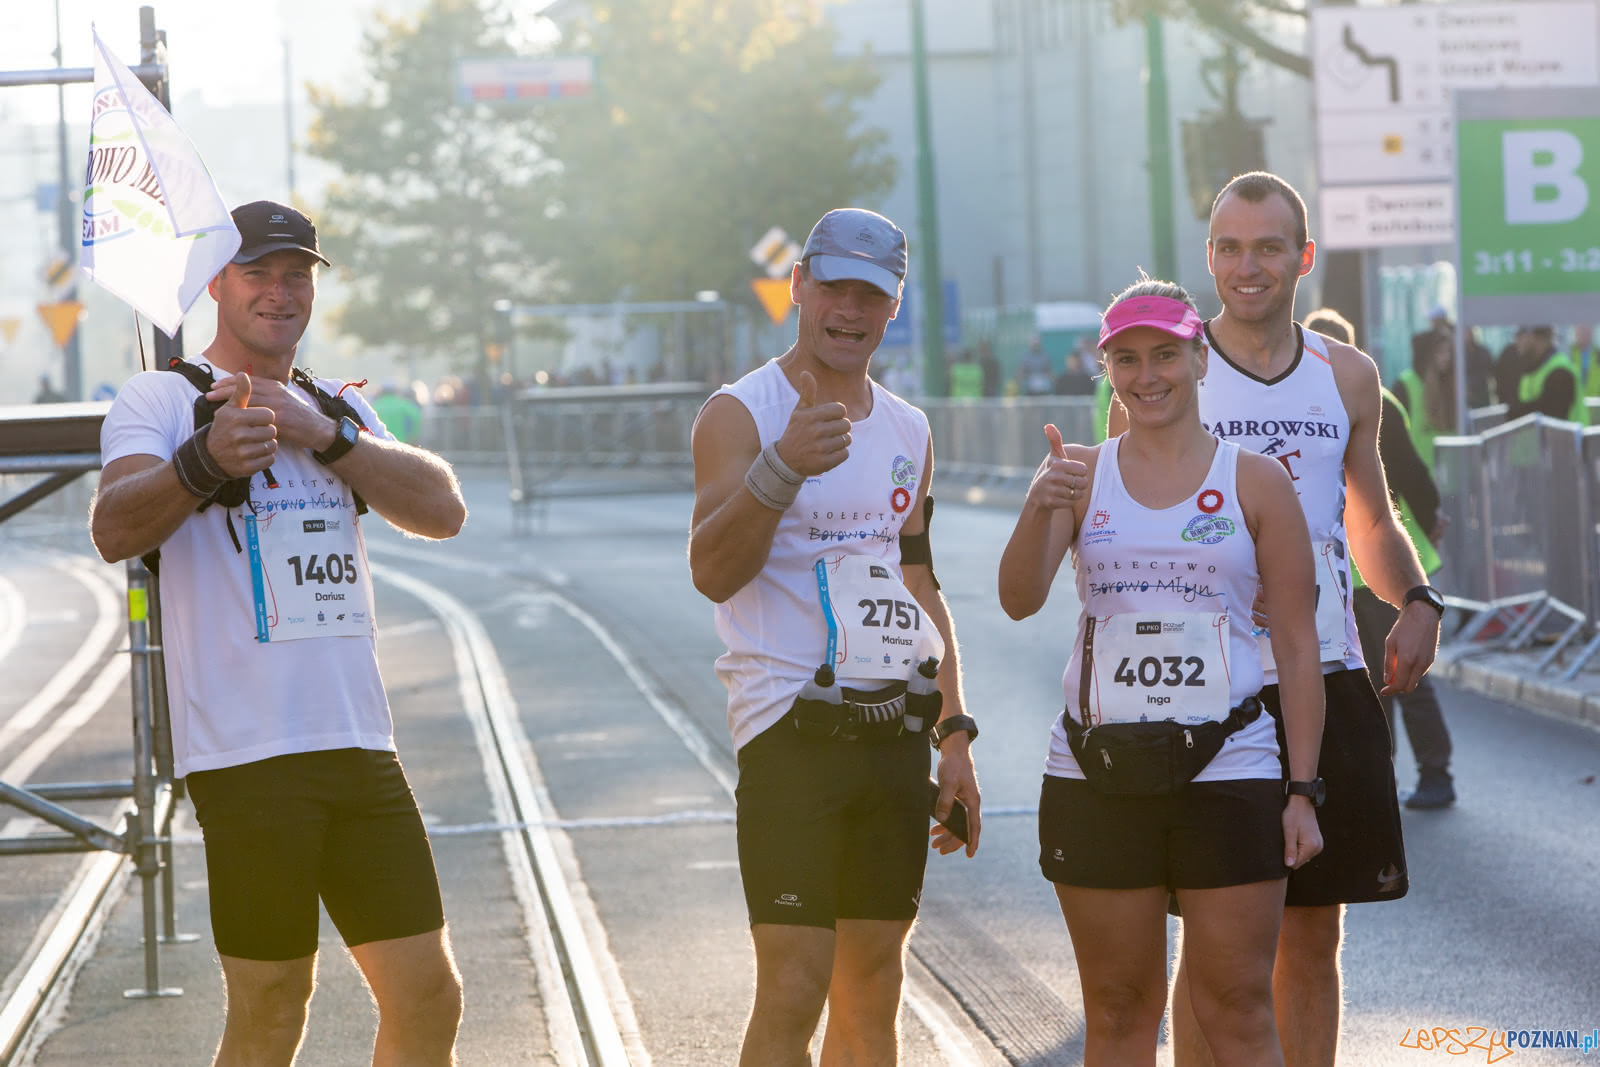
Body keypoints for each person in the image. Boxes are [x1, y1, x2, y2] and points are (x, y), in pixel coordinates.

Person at [90, 200, 467, 1067]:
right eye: (257, 273)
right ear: (217, 284)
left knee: (428, 996)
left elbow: (443, 509)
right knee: (271, 1011)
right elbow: (113, 527)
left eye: (297, 274)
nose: (279, 291)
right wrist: (203, 460)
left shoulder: (334, 405)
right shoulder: (162, 397)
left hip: (360, 744)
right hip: (248, 755)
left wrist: (324, 435)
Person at [1110, 172, 1442, 1067]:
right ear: (1209, 256)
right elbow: (1128, 530)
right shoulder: (1170, 370)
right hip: (1207, 690)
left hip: (1323, 675)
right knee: (1215, 938)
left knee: (1313, 933)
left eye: (1267, 247)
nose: (1246, 266)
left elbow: (1370, 521)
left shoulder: (1348, 376)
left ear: (1303, 256)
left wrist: (1415, 599)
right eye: (1228, 247)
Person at [1000, 278, 1325, 1065]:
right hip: (1097, 768)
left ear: (1199, 357)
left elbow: (1295, 642)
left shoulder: (1256, 481)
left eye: (1165, 355)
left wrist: (1303, 791)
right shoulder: (1080, 473)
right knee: (1118, 1008)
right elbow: (1018, 598)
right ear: (1107, 368)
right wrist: (1041, 503)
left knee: (1238, 1005)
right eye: (1127, 359)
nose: (1148, 376)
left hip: (1230, 763)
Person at [688, 207, 981, 1067]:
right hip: (789, 725)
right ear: (799, 286)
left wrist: (954, 734)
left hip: (892, 728)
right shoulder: (740, 413)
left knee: (874, 986)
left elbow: (918, 584)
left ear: (894, 306)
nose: (850, 311)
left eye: (871, 295)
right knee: (792, 985)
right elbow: (711, 569)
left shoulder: (908, 428)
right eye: (835, 289)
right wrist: (781, 467)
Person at [1308, 308, 1456, 810]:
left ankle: (1435, 771)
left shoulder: (1369, 395)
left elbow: (1409, 473)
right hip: (1348, 569)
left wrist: (1429, 518)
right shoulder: (1308, 397)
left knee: (1402, 674)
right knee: (1371, 682)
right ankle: (1383, 778)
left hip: (1384, 567)